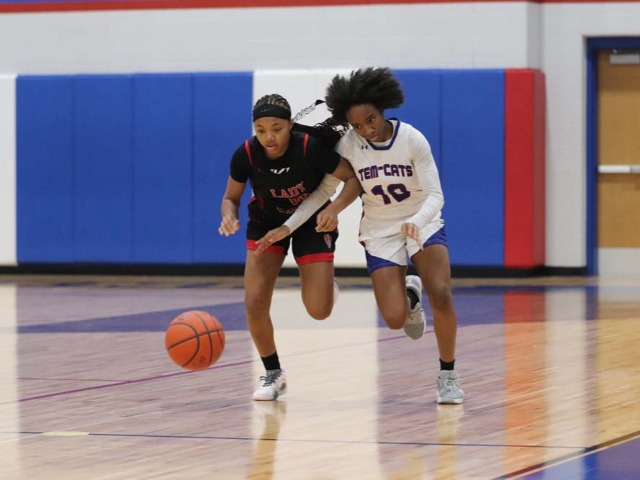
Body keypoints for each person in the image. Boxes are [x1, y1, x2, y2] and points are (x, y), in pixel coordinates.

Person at [267, 67, 464, 405]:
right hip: (379, 229)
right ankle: (410, 298)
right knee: (394, 319)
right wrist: (290, 225)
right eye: (357, 125)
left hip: (422, 220)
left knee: (442, 293)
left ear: (383, 109)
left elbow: (436, 194)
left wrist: (417, 220)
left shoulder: (412, 139)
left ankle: (448, 376)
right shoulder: (349, 144)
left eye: (370, 120)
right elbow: (324, 190)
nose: (366, 129)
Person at [219, 93, 358, 401]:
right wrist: (229, 216)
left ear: (290, 125)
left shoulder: (309, 147)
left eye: (277, 128)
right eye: (261, 129)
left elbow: (352, 179)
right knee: (254, 301)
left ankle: (325, 285)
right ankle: (273, 373)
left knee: (319, 311)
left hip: (311, 222)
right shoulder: (246, 153)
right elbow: (231, 198)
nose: (269, 137)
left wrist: (334, 210)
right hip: (266, 223)